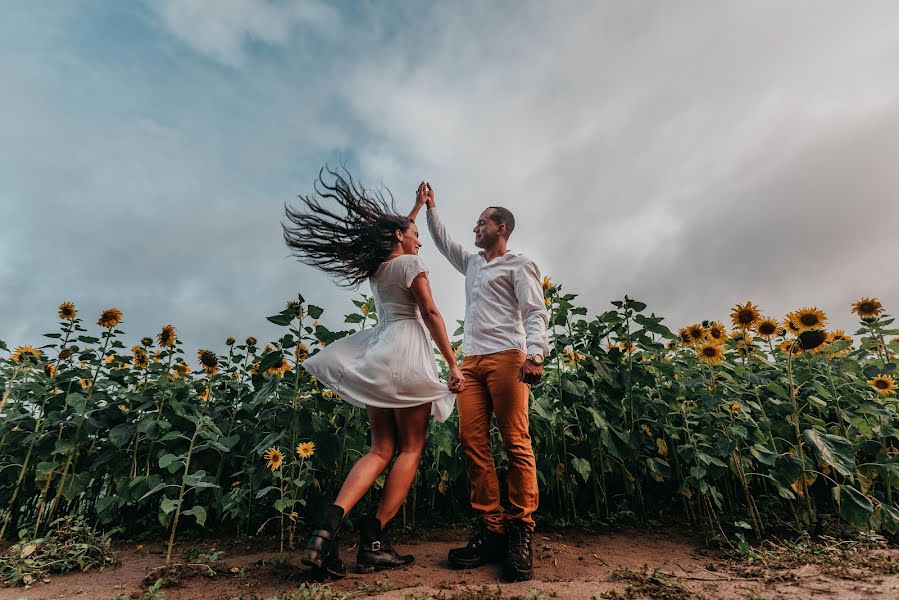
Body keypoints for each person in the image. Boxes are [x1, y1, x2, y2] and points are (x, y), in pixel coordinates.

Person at [282, 168, 464, 578]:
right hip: (408, 350)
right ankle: (375, 541)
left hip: (378, 353)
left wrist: (417, 207)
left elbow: (399, 233)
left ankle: (325, 531)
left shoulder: (378, 268)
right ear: (401, 238)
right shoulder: (411, 262)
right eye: (414, 233)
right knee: (411, 448)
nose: (419, 239)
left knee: (380, 449)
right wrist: (453, 364)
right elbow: (431, 312)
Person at [414, 182, 549, 582]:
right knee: (473, 442)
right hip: (471, 362)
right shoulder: (473, 264)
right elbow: (444, 243)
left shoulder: (519, 264)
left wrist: (535, 354)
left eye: (481, 223)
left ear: (501, 227)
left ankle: (521, 529)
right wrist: (429, 208)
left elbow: (535, 312)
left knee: (515, 441)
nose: (475, 229)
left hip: (509, 358)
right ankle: (491, 528)